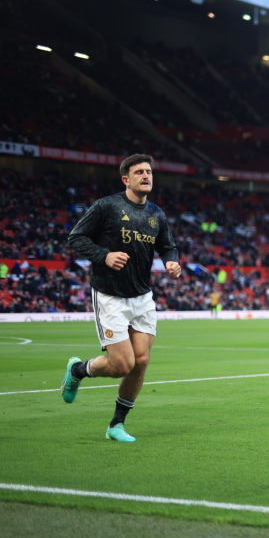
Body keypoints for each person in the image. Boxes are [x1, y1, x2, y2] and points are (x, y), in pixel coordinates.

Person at [60, 154, 183, 442]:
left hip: (142, 296)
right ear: (125, 179)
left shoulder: (157, 214)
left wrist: (172, 263)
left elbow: (169, 247)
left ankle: (117, 425)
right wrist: (105, 255)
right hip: (110, 294)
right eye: (139, 172)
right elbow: (76, 237)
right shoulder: (107, 206)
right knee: (121, 365)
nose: (146, 176)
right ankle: (78, 370)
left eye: (149, 171)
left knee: (141, 361)